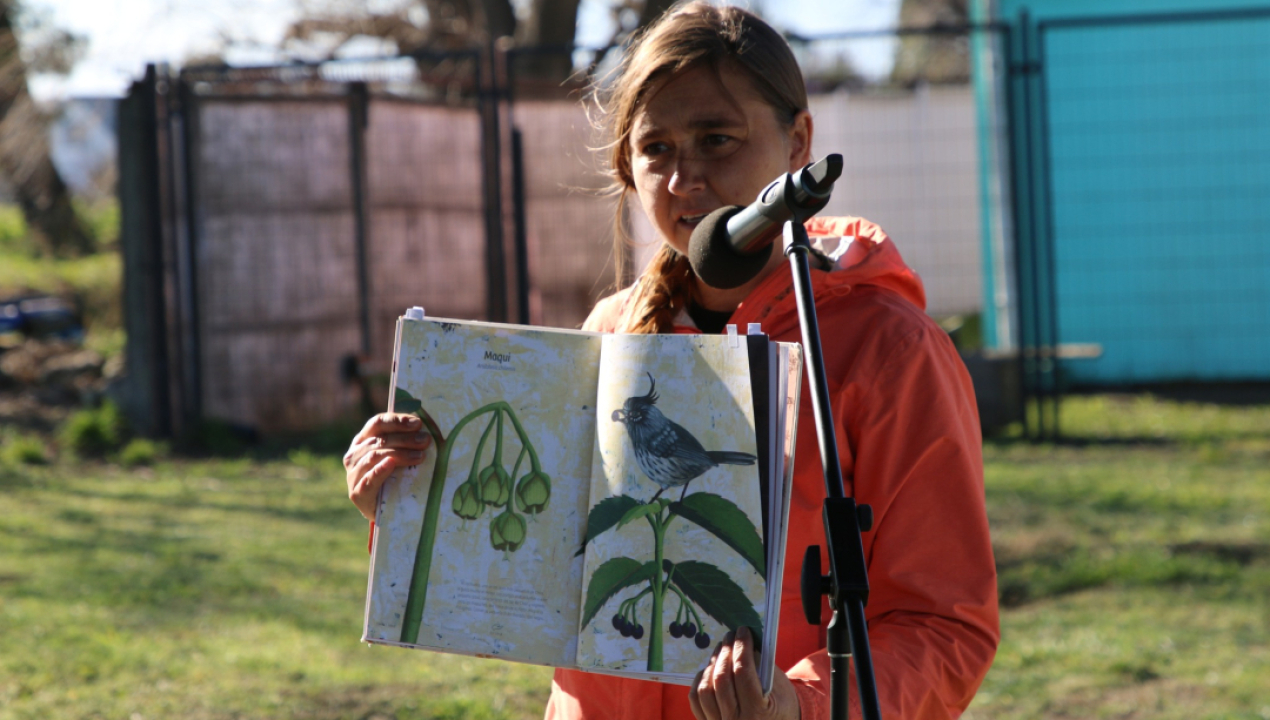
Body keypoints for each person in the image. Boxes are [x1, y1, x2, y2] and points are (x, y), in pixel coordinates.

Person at [343, 2, 999, 718]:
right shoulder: (610, 330)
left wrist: (800, 704)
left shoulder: (888, 349)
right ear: (627, 163)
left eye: (717, 139)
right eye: (656, 148)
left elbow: (945, 623)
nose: (684, 178)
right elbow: (542, 570)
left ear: (797, 143)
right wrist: (413, 504)